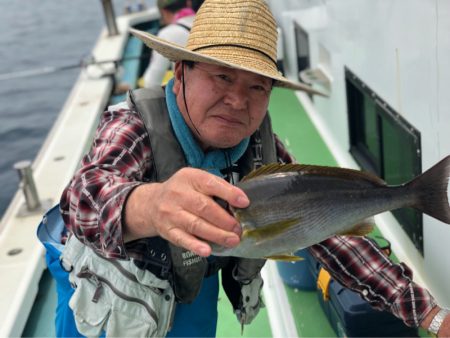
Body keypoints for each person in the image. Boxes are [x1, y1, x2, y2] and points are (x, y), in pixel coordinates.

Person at [49, 0, 450, 337]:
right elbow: (82, 198)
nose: (238, 101)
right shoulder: (131, 125)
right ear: (180, 73)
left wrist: (432, 316)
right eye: (222, 76)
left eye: (257, 86)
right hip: (105, 299)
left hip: (193, 289)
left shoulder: (264, 150)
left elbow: (333, 235)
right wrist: (151, 205)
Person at [142, 0, 195, 87]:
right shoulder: (210, 23)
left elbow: (151, 82)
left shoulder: (166, 34)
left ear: (164, 12)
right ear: (188, 3)